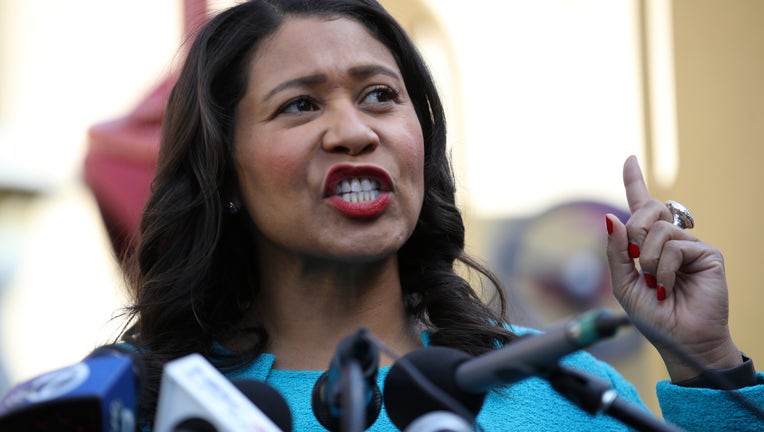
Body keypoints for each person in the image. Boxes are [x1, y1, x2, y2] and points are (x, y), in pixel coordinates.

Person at [116, 0, 764, 430]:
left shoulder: (566, 391)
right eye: (300, 106)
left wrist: (705, 359)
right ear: (223, 168)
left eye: (378, 96)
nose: (353, 131)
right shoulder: (141, 405)